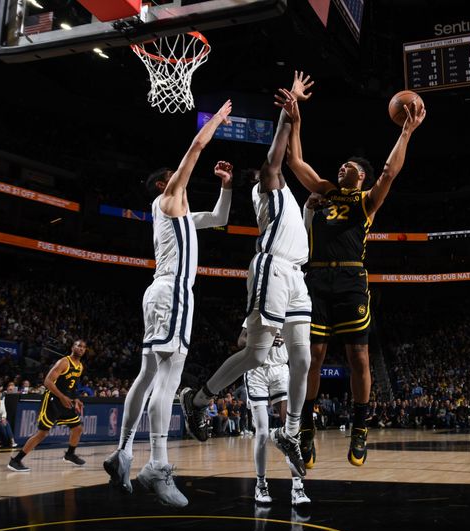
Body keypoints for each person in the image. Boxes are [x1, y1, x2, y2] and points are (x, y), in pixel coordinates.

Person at [278, 88, 425, 467]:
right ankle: (305, 428)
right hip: (315, 282)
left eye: (349, 167)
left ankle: (360, 428)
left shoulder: (366, 201)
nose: (341, 167)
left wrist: (406, 132)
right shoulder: (324, 193)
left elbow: (391, 170)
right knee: (312, 358)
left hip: (351, 281)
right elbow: (295, 161)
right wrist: (297, 119)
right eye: (341, 165)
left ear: (361, 176)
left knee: (359, 355)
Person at [180, 71, 315, 479]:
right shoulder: (267, 187)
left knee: (303, 359)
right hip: (271, 268)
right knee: (256, 354)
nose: (272, 171)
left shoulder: (289, 196)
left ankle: (291, 431)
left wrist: (297, 115)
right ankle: (200, 400)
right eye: (266, 172)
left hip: (296, 276)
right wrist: (286, 114)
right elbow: (276, 155)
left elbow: (293, 155)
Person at [103, 100, 234, 508]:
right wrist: (216, 121)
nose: (180, 179)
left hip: (158, 293)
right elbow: (195, 148)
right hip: (173, 292)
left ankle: (122, 452)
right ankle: (156, 464)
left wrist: (227, 187)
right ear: (164, 184)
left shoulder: (179, 215)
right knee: (168, 377)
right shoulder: (169, 198)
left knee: (146, 376)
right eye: (172, 177)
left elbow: (218, 218)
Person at [240, 327, 310, 506]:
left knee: (291, 429)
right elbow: (240, 341)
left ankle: (297, 488)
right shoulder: (258, 307)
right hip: (256, 371)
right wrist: (263, 342)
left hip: (280, 370)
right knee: (262, 432)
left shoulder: (289, 312)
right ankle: (261, 485)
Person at [7, 339, 88, 472]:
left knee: (77, 428)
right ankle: (16, 460)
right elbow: (47, 381)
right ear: (72, 347)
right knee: (42, 433)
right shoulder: (64, 362)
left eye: (83, 347)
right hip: (52, 400)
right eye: (79, 345)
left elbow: (72, 387)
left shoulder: (80, 366)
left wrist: (76, 399)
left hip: (66, 400)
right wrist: (61, 397)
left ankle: (70, 454)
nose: (81, 348)